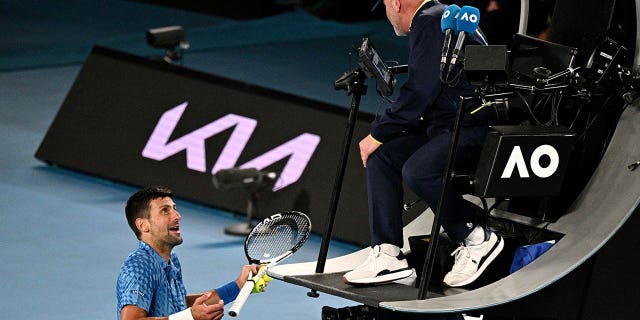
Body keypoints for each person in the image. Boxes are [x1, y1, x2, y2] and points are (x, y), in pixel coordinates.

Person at [342, 0, 504, 287]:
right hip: (444, 127)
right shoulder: (438, 17)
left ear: (396, 3)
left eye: (386, 7)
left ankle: (476, 237)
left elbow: (420, 92)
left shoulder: (430, 21)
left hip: (475, 129)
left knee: (418, 170)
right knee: (384, 157)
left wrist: (377, 133)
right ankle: (388, 253)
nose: (387, 15)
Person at [117, 185, 259, 320]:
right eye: (165, 210)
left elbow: (179, 306)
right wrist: (190, 317)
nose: (177, 216)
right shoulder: (138, 267)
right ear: (143, 225)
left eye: (174, 208)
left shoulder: (171, 259)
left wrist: (239, 285)